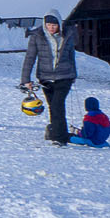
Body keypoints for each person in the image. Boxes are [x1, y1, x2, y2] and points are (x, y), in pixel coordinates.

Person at [21, 12, 78, 147]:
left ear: (60, 24)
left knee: (58, 104)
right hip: (45, 77)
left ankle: (59, 138)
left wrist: (74, 74)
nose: (51, 28)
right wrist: (25, 79)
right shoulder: (37, 36)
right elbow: (30, 58)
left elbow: (71, 55)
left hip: (65, 76)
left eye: (54, 25)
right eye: (48, 25)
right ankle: (55, 131)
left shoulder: (67, 36)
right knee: (53, 105)